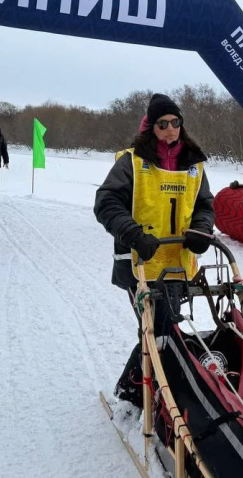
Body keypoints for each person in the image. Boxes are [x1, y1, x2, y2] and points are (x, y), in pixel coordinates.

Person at [94, 93, 214, 407]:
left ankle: (147, 388)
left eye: (176, 122)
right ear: (152, 126)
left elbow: (204, 204)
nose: (171, 129)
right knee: (160, 330)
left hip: (177, 262)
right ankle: (138, 394)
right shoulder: (133, 161)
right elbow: (106, 203)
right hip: (140, 263)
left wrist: (202, 229)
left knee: (165, 329)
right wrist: (133, 234)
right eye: (163, 123)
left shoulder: (193, 163)